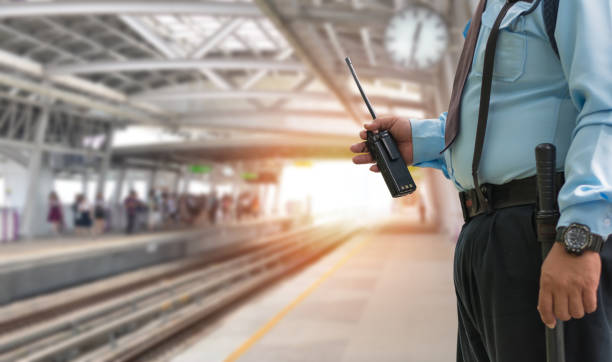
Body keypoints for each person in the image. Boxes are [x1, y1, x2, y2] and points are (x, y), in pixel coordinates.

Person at [351, 1, 611, 361]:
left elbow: (605, 110)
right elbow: (502, 116)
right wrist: (423, 138)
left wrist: (578, 238)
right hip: (487, 240)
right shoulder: (490, 7)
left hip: (545, 231)